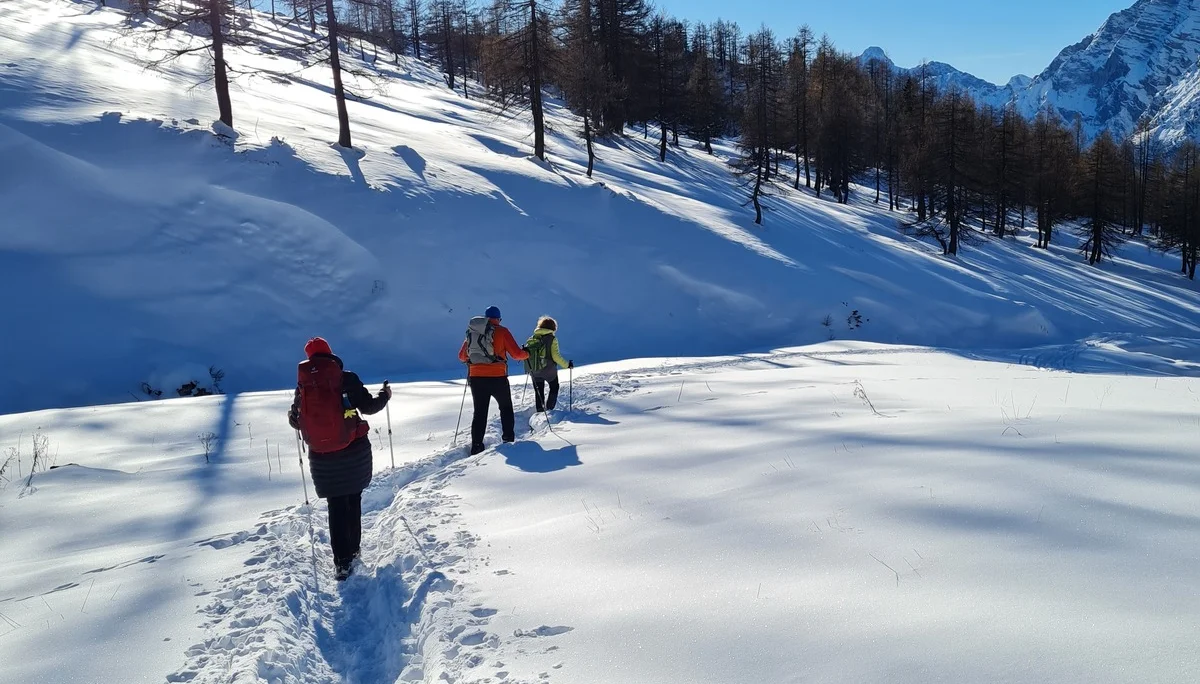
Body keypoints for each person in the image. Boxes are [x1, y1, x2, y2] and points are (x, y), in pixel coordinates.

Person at [288, 337, 391, 581]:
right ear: (330, 354)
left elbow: (295, 420)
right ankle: (354, 551)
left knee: (335, 505)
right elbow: (368, 407)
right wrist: (385, 396)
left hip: (322, 457)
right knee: (353, 499)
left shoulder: (303, 385)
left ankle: (341, 563)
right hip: (353, 449)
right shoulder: (346, 378)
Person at [458, 306, 528, 455]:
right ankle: (508, 439)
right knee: (506, 408)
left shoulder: (473, 332)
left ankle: (476, 446)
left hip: (476, 378)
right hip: (498, 377)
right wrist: (526, 354)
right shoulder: (502, 331)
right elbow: (516, 354)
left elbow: (462, 356)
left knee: (480, 413)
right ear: (498, 319)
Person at [524, 316, 573, 413]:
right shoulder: (552, 339)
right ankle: (550, 409)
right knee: (554, 387)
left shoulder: (532, 338)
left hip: (534, 370)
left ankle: (540, 411)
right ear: (553, 327)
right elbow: (556, 356)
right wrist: (567, 365)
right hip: (548, 370)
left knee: (539, 391)